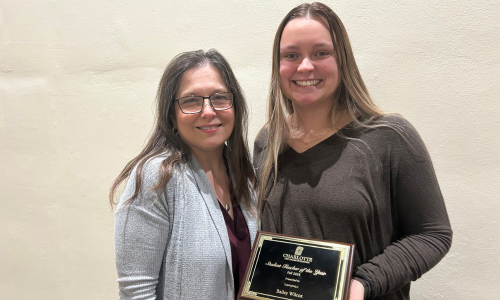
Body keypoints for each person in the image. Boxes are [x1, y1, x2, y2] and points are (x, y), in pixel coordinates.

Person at [253, 3, 452, 300]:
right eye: (291, 55)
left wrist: (363, 283)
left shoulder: (389, 137)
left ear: (343, 60)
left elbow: (433, 234)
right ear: (277, 65)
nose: (305, 66)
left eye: (321, 53)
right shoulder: (267, 142)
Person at [110, 49, 257, 300]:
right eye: (191, 101)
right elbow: (136, 293)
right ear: (172, 115)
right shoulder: (155, 178)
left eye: (220, 97)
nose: (209, 111)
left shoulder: (245, 174)